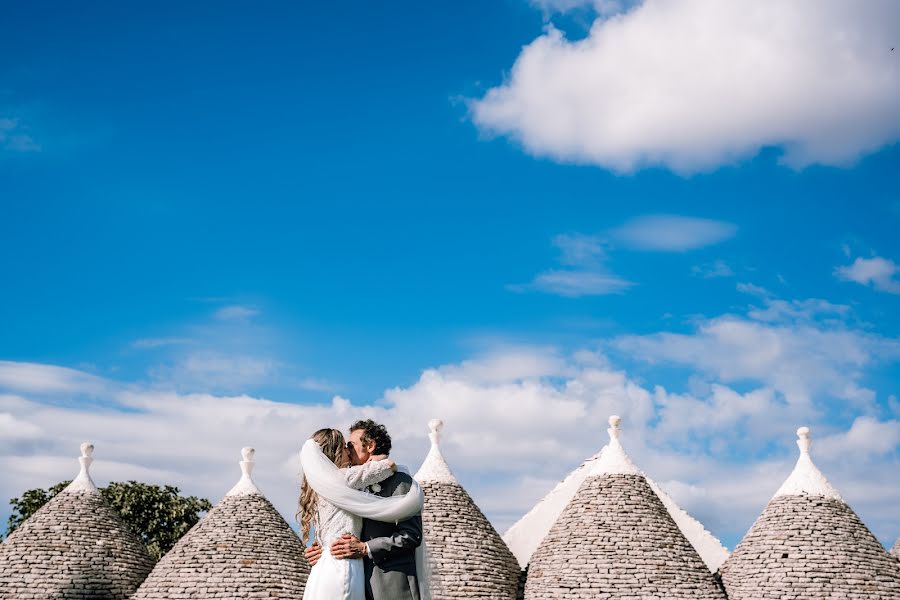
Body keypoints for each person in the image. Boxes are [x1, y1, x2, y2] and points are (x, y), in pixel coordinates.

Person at [304, 420, 426, 600]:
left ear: (370, 446)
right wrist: (319, 549)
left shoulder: (400, 481)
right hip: (349, 576)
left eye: (350, 445)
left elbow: (411, 535)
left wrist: (366, 548)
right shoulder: (342, 482)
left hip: (388, 586)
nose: (347, 449)